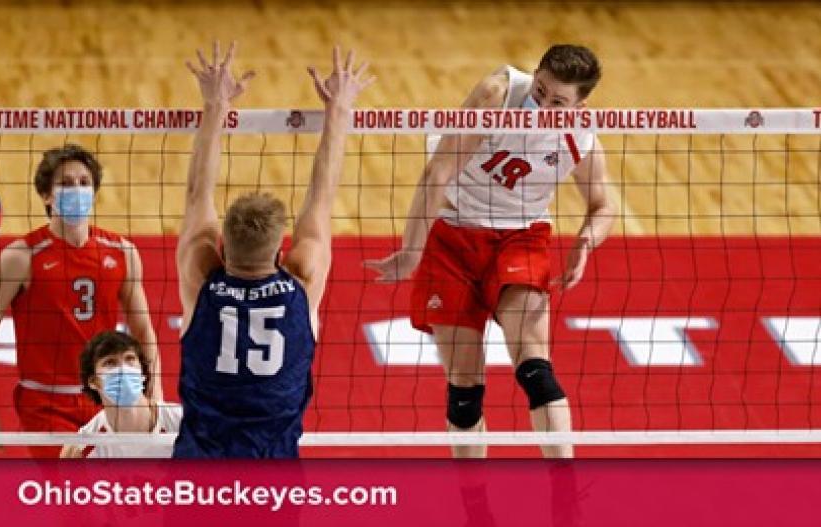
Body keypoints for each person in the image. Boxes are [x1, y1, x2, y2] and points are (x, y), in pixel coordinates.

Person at [366, 44, 617, 459]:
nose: (541, 107)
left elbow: (603, 206)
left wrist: (586, 242)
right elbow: (438, 171)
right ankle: (474, 496)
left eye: (557, 103)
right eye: (540, 91)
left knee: (536, 371)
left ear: (579, 106)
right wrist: (412, 250)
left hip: (521, 238)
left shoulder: (581, 138)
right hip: (453, 233)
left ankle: (567, 491)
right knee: (464, 389)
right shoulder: (497, 95)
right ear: (534, 76)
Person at [172, 41, 372, 458]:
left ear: (221, 248)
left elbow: (195, 195)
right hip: (273, 473)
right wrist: (338, 110)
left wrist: (215, 105)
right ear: (281, 253)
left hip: (200, 467)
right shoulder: (303, 281)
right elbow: (323, 198)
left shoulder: (201, 278)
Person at [0, 144, 162, 458]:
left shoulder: (122, 252)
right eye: (66, 183)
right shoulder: (21, 257)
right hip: (46, 404)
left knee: (120, 482)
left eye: (84, 182)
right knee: (72, 482)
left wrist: (155, 390)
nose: (77, 190)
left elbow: (143, 330)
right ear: (47, 195)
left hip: (105, 397)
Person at [61, 330, 181, 458]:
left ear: (142, 372)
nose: (123, 369)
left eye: (130, 359)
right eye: (110, 362)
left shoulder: (183, 422)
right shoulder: (81, 447)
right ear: (93, 382)